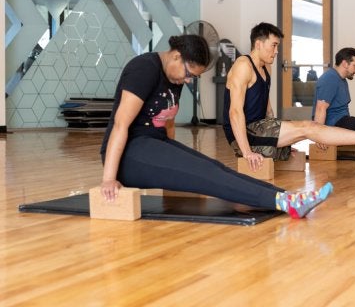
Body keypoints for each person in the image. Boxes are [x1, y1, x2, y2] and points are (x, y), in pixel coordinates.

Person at [99, 34, 334, 219]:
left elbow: (167, 123)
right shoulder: (143, 69)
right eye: (189, 73)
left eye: (194, 76)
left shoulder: (174, 75)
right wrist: (109, 177)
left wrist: (173, 150)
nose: (189, 80)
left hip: (152, 145)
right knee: (205, 174)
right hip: (129, 155)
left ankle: (287, 197)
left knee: (214, 166)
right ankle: (286, 203)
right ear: (176, 57)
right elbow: (120, 125)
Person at [223, 22, 355, 171]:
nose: (277, 51)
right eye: (274, 45)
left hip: (259, 128)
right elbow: (235, 113)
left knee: (305, 128)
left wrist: (281, 140)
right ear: (259, 44)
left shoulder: (264, 67)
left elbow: (267, 109)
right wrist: (247, 152)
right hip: (243, 134)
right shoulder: (243, 66)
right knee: (308, 127)